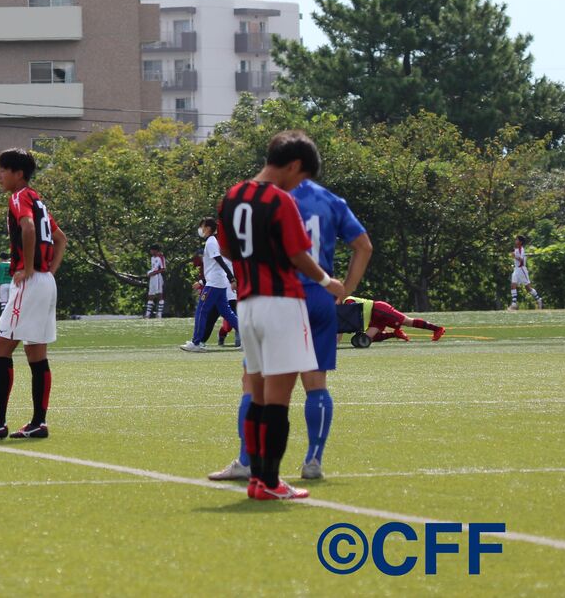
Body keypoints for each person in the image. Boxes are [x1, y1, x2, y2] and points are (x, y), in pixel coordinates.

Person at [209, 175, 372, 483]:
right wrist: (343, 290)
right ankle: (313, 460)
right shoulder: (330, 201)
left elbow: (237, 249)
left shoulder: (267, 201)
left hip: (280, 296)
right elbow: (364, 246)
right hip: (320, 299)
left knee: (254, 383)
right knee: (315, 382)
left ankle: (247, 461)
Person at [0, 148, 67, 441]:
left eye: (2, 170)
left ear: (18, 174)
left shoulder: (19, 197)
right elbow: (61, 239)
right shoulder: (38, 200)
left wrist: (30, 268)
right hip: (46, 283)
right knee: (36, 352)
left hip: (32, 282)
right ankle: (38, 422)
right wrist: (48, 270)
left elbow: (28, 227)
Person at [181, 219, 238, 352]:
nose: (201, 230)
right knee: (227, 313)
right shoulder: (213, 241)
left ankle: (196, 342)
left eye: (202, 227)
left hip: (214, 283)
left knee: (201, 310)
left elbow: (219, 261)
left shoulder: (211, 241)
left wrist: (231, 277)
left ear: (207, 228)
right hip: (218, 283)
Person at [345, 296, 444, 343]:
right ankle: (395, 334)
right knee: (367, 339)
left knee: (407, 321)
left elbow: (352, 308)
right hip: (373, 318)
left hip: (379, 309)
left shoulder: (347, 299)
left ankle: (437, 329)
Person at [509, 235, 543, 310]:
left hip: (521, 269)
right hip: (516, 269)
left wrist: (514, 256)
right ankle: (514, 304)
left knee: (528, 288)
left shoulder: (522, 249)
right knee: (512, 285)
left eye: (517, 240)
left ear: (520, 242)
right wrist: (513, 253)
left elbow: (521, 260)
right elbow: (513, 255)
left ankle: (538, 299)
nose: (515, 241)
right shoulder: (516, 249)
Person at [144, 246, 166, 318]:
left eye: (152, 250)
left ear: (155, 250)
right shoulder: (152, 258)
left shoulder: (161, 257)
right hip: (152, 278)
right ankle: (147, 314)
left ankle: (159, 314)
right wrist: (150, 273)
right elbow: (154, 268)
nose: (151, 252)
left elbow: (163, 269)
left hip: (158, 277)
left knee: (159, 295)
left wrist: (154, 273)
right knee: (150, 295)